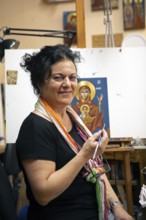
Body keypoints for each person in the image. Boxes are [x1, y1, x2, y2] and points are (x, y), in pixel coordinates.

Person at [16, 44, 134, 220]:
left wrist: (117, 208)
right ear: (40, 83)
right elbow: (44, 194)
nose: (67, 84)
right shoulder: (35, 127)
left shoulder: (73, 118)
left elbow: (95, 170)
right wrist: (84, 155)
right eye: (58, 77)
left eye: (72, 77)